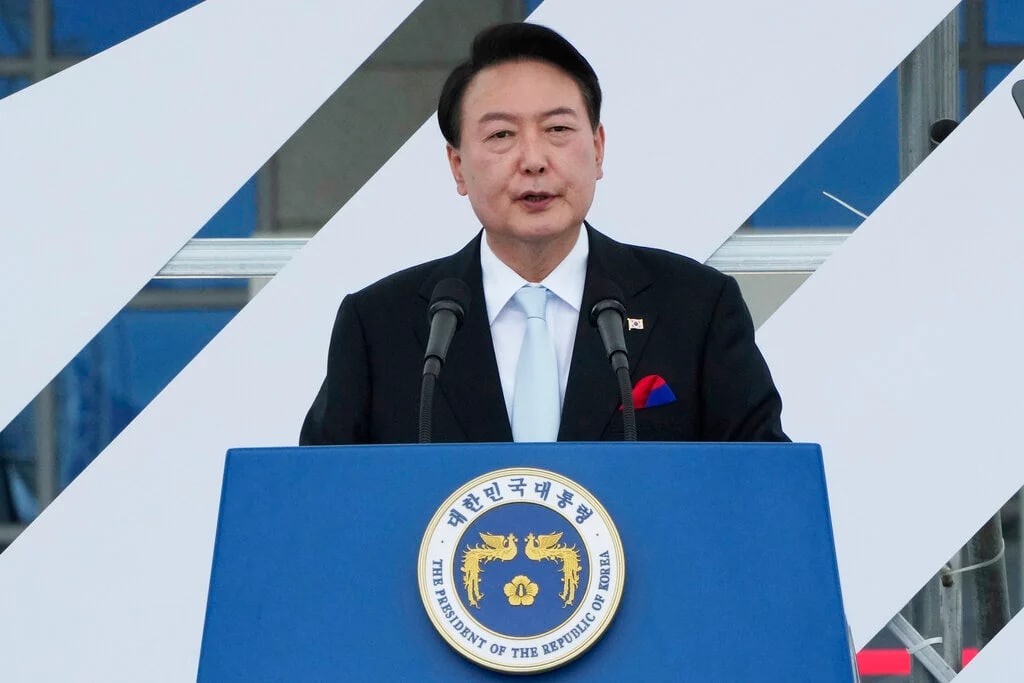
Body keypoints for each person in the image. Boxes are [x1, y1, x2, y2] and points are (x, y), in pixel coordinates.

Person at [300, 22, 787, 445]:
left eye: (557, 130)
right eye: (501, 135)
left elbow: (764, 485)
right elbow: (321, 496)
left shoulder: (696, 307)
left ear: (598, 148)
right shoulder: (380, 326)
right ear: (458, 166)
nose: (533, 160)